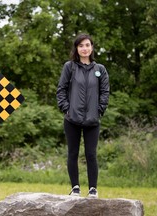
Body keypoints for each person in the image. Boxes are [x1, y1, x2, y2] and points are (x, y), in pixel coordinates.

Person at [56, 34, 109, 198]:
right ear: (76, 49)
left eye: (87, 45)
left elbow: (105, 92)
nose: (84, 48)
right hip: (72, 119)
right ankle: (75, 188)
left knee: (91, 154)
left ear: (92, 47)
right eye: (81, 46)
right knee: (72, 153)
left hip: (92, 120)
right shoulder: (69, 67)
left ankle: (93, 189)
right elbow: (61, 90)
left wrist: (99, 110)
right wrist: (66, 109)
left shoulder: (100, 69)